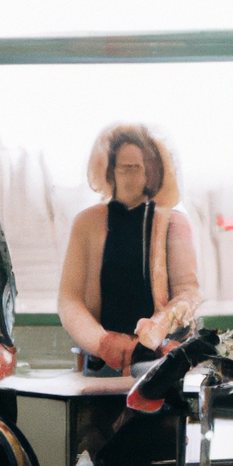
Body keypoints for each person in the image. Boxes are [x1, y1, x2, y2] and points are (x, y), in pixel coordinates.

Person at [58, 123, 202, 376]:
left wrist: (158, 329)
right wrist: (103, 343)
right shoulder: (86, 223)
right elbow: (70, 300)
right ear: (109, 170)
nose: (129, 175)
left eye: (136, 168)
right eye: (122, 167)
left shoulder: (174, 223)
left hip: (158, 358)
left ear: (151, 171)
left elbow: (187, 292)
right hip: (101, 361)